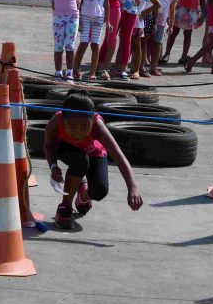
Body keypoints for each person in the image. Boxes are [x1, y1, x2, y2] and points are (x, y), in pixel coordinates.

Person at [43, 91, 143, 229]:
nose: (78, 133)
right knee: (80, 161)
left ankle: (82, 195)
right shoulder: (55, 122)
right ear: (63, 119)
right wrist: (53, 166)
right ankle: (65, 206)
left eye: (85, 127)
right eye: (72, 127)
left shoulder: (98, 127)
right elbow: (47, 145)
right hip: (65, 148)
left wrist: (133, 188)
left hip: (93, 152)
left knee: (100, 192)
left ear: (92, 119)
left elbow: (119, 156)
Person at [114, 0, 160, 80]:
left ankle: (129, 69)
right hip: (118, 11)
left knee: (132, 43)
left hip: (133, 15)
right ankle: (115, 67)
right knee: (116, 39)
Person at [72, 0, 113, 81]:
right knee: (84, 43)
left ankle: (92, 72)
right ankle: (76, 69)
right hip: (85, 15)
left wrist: (108, 20)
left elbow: (106, 3)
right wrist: (78, 17)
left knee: (95, 44)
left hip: (99, 17)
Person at [150, 0, 178, 76]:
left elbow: (172, 12)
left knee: (157, 45)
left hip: (161, 24)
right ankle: (141, 65)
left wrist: (171, 26)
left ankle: (154, 67)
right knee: (146, 43)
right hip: (150, 21)